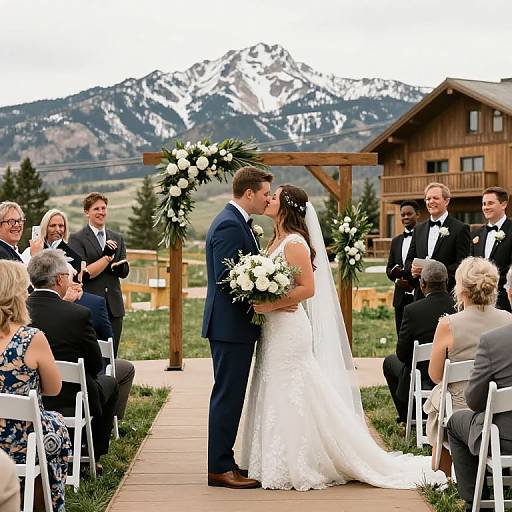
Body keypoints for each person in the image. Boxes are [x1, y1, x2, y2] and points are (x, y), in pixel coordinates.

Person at [240, 184, 446, 491]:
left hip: (289, 330)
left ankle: (302, 459)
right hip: (274, 328)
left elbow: (307, 288)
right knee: (278, 388)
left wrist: (270, 303)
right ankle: (271, 457)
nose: (267, 199)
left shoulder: (295, 242)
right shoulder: (275, 238)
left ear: (285, 207)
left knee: (293, 388)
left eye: (273, 196)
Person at [202, 166, 274, 489]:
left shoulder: (237, 223)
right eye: (264, 194)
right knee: (227, 396)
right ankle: (219, 468)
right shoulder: (230, 226)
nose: (267, 199)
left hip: (234, 327)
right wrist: (262, 299)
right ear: (249, 193)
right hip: (231, 327)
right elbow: (227, 279)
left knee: (231, 395)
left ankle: (225, 460)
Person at [26, 249, 119, 462]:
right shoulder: (77, 314)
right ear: (59, 279)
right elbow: (96, 364)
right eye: (68, 276)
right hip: (72, 397)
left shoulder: (19, 310)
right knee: (111, 384)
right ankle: (92, 452)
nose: (70, 280)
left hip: (30, 396)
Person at [424, 257, 512, 475]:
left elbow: (435, 375)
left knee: (437, 397)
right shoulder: (508, 319)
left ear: (460, 289)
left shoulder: (448, 324)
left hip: (462, 403)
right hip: (502, 404)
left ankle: (444, 473)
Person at [0, 260, 71, 512]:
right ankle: (47, 503)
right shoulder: (31, 338)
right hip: (20, 442)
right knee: (56, 429)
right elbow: (54, 389)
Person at [447, 322, 512, 512]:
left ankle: (477, 503)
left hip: (504, 439)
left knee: (454, 423)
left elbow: (474, 401)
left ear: (509, 295)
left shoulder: (493, 340)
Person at [383, 260, 454, 424]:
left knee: (389, 362)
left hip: (422, 375)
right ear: (447, 282)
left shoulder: (412, 311)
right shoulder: (458, 308)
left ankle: (408, 416)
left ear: (422, 284)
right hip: (450, 374)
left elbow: (402, 353)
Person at [68, 192, 129, 355]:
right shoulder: (77, 239)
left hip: (114, 307)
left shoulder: (117, 237)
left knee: (112, 353)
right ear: (87, 212)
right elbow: (82, 274)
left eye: (103, 208)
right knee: (92, 354)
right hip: (90, 305)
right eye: (96, 208)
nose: (101, 212)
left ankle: (113, 379)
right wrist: (106, 257)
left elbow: (123, 270)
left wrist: (122, 268)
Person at [76, 289, 135, 423]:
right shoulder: (87, 309)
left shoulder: (33, 308)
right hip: (86, 384)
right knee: (121, 374)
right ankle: (110, 422)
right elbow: (107, 343)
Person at [405, 183, 470, 298]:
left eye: (435, 198)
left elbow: (462, 265)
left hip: (448, 295)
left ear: (446, 201)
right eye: (428, 199)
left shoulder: (460, 229)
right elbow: (409, 260)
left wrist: (434, 270)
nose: (430, 202)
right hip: (421, 295)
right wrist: (413, 269)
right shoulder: (418, 230)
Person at [471, 186, 512, 311]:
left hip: (505, 300)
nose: (485, 207)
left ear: (503, 204)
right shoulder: (476, 234)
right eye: (483, 204)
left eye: (490, 203)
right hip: (478, 301)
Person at [386, 200, 420, 333]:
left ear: (417, 214)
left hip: (417, 294)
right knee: (401, 335)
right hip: (400, 297)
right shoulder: (396, 241)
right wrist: (396, 279)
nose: (405, 217)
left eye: (409, 214)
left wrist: (412, 283)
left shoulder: (423, 237)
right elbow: (389, 268)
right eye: (402, 215)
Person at [21, 208, 83, 272]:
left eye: (61, 226)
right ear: (45, 227)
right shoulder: (30, 251)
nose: (57, 229)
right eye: (53, 226)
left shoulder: (75, 258)